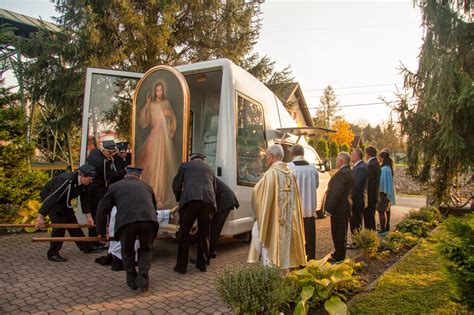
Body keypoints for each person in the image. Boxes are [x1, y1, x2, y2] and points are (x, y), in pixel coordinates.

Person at [96, 166, 159, 291]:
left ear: (126, 175)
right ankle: (142, 278)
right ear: (139, 176)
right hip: (148, 221)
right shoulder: (147, 187)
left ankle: (131, 279)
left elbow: (102, 209)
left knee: (127, 250)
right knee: (146, 249)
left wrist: (101, 231)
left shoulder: (114, 187)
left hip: (126, 222)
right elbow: (154, 207)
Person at [248, 144, 306, 269]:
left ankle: (271, 277)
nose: (267, 160)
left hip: (274, 220)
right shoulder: (290, 173)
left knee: (270, 242)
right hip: (288, 219)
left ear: (273, 157)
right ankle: (286, 270)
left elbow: (257, 194)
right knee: (286, 244)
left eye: (268, 157)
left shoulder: (271, 174)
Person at [35, 164, 97, 262]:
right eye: (90, 179)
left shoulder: (85, 184)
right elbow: (53, 197)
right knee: (60, 225)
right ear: (82, 176)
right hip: (52, 199)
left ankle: (85, 246)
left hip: (64, 200)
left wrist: (89, 217)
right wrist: (41, 216)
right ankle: (52, 253)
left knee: (72, 223)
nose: (91, 181)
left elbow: (85, 200)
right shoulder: (66, 181)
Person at [172, 153, 217, 274]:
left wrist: (179, 198)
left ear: (191, 159)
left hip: (190, 200)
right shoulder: (209, 169)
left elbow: (176, 184)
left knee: (184, 232)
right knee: (204, 233)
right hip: (208, 202)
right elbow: (214, 188)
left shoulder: (185, 165)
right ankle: (202, 264)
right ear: (202, 160)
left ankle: (181, 266)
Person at [138, 81, 178, 209]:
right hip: (154, 136)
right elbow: (145, 121)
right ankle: (151, 194)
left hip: (163, 137)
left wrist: (168, 115)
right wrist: (147, 104)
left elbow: (172, 117)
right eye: (157, 90)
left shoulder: (166, 103)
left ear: (163, 91)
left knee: (162, 165)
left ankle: (160, 196)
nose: (159, 93)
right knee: (152, 164)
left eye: (161, 90)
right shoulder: (152, 104)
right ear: (155, 91)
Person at [86, 140, 126, 239]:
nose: (112, 155)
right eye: (110, 152)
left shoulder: (95, 152)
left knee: (95, 212)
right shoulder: (102, 162)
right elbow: (109, 177)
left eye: (113, 152)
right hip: (98, 189)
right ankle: (100, 236)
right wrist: (124, 171)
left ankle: (94, 238)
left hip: (91, 188)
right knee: (101, 212)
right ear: (103, 150)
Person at [287, 144, 319, 260]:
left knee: (296, 238)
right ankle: (310, 259)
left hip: (295, 210)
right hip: (309, 210)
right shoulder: (312, 168)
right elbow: (316, 185)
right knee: (309, 237)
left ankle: (297, 260)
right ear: (303, 153)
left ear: (291, 154)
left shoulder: (289, 167)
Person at [324, 152, 353, 263]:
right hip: (346, 205)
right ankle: (340, 252)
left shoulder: (342, 173)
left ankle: (339, 255)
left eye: (337, 159)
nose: (335, 161)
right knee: (342, 231)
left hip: (339, 207)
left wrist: (329, 209)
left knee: (338, 232)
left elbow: (336, 192)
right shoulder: (349, 171)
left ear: (341, 161)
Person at [209, 178, 240, 258]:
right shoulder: (206, 175)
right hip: (225, 198)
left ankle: (210, 252)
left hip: (225, 199)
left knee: (215, 228)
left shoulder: (203, 178)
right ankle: (210, 251)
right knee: (215, 227)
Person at [348, 148, 368, 248]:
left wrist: (350, 197)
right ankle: (356, 241)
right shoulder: (360, 167)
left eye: (352, 154)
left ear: (356, 156)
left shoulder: (360, 168)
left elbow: (356, 185)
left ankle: (356, 242)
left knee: (356, 222)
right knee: (357, 221)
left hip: (357, 199)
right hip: (359, 198)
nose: (351, 156)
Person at [378, 151, 396, 235]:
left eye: (380, 157)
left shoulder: (384, 169)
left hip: (382, 192)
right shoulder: (389, 167)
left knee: (381, 211)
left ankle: (383, 229)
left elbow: (381, 182)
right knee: (385, 210)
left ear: (382, 158)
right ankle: (385, 227)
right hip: (386, 192)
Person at [363, 146, 380, 230]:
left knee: (368, 217)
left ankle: (370, 234)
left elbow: (369, 182)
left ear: (368, 154)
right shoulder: (376, 163)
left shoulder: (371, 165)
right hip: (374, 194)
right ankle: (371, 232)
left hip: (370, 195)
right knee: (371, 216)